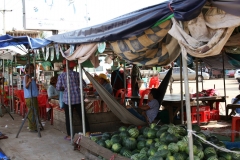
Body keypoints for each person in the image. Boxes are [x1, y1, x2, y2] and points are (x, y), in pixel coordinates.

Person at [56, 60, 90, 140]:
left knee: (68, 118)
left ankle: (70, 135)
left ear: (65, 66)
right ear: (72, 67)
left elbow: (58, 88)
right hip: (78, 98)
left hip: (68, 100)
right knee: (83, 116)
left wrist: (65, 88)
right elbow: (84, 85)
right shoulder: (77, 74)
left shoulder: (61, 76)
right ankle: (87, 132)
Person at [23, 63, 41, 132]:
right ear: (27, 69)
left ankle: (35, 126)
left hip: (33, 96)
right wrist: (29, 82)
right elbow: (26, 86)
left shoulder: (30, 76)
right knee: (32, 112)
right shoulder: (27, 76)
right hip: (30, 97)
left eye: (32, 68)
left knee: (35, 111)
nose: (31, 70)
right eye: (30, 68)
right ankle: (32, 127)